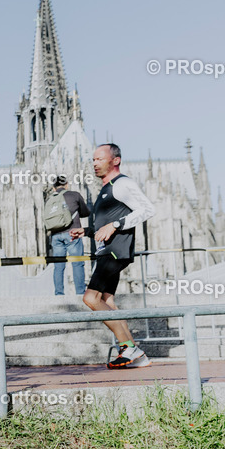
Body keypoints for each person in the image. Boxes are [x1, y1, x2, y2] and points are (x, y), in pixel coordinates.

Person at [76, 143, 155, 369]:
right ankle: (135, 354)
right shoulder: (106, 188)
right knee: (107, 301)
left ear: (115, 160)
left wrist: (116, 224)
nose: (94, 163)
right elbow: (107, 225)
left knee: (90, 298)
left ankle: (129, 348)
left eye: (100, 159)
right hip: (108, 251)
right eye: (93, 159)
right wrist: (87, 231)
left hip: (114, 252)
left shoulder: (123, 184)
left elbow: (148, 209)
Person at [45, 174, 89, 295]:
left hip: (55, 236)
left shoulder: (50, 199)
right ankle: (80, 293)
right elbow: (86, 212)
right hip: (72, 234)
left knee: (58, 266)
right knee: (77, 263)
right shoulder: (74, 195)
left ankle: (59, 294)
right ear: (67, 185)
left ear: (54, 188)